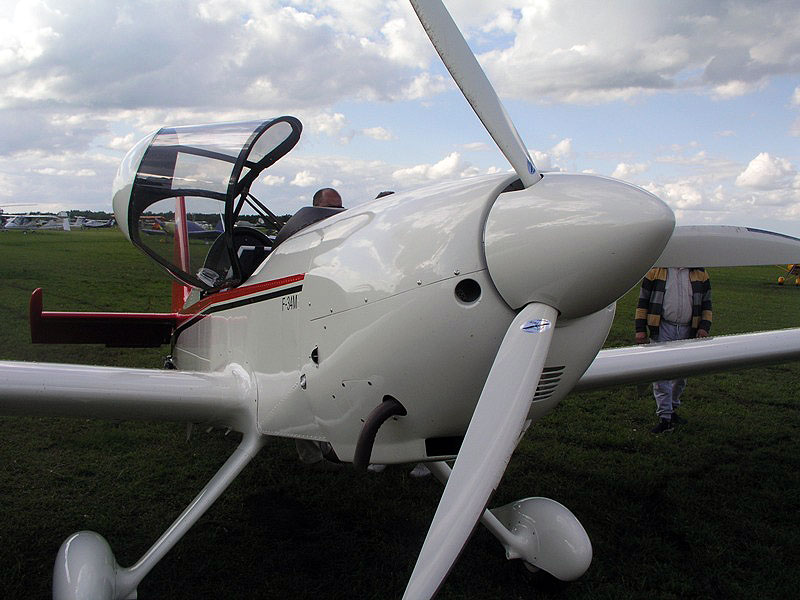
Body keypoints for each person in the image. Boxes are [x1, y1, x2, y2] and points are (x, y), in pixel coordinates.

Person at [635, 267, 712, 434]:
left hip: (688, 329)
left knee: (682, 375)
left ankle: (672, 409)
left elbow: (707, 303)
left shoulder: (700, 272)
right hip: (662, 327)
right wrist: (640, 329)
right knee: (661, 373)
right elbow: (643, 300)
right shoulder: (656, 271)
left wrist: (704, 327)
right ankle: (665, 417)